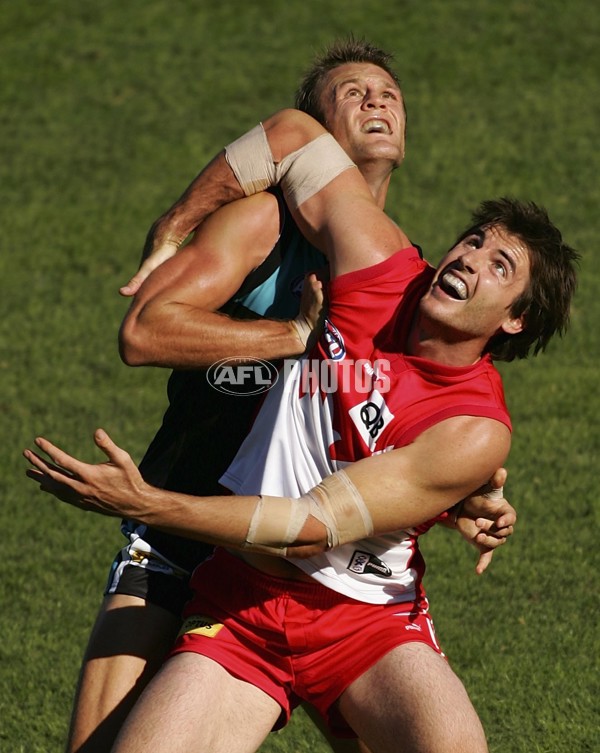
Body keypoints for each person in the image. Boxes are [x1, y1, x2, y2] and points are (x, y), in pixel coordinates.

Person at [25, 108, 579, 753]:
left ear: (514, 320)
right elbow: (291, 133)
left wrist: (145, 503)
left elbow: (309, 525)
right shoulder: (379, 272)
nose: (470, 256)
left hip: (366, 625)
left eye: (500, 265)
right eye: (475, 240)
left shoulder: (473, 430)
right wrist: (172, 229)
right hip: (244, 607)